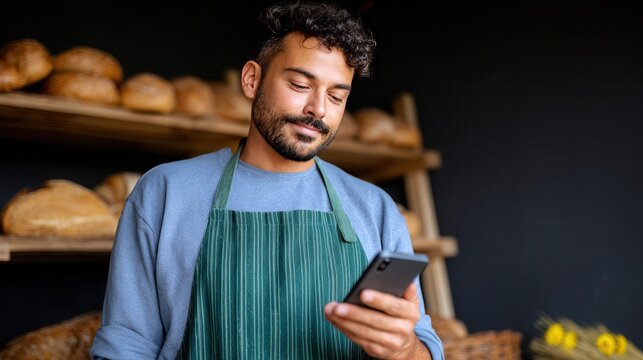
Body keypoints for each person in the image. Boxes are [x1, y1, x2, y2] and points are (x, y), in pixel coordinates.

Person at [90, 1, 444, 359]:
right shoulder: (165, 193)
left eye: (336, 97)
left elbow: (423, 347)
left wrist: (404, 349)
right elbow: (125, 346)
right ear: (252, 80)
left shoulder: (375, 209)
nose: (318, 109)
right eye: (300, 84)